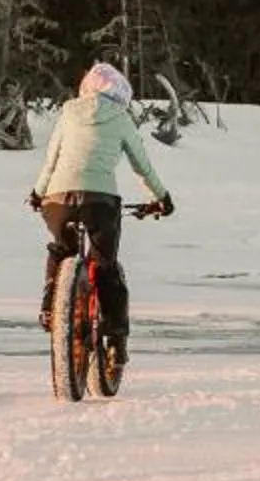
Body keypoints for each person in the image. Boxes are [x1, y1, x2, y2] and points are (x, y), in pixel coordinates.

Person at [29, 61, 174, 344]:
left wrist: (38, 193)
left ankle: (51, 302)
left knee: (61, 249)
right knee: (105, 265)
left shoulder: (67, 114)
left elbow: (51, 161)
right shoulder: (121, 119)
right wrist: (160, 199)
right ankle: (115, 336)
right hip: (100, 202)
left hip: (57, 200)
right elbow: (141, 166)